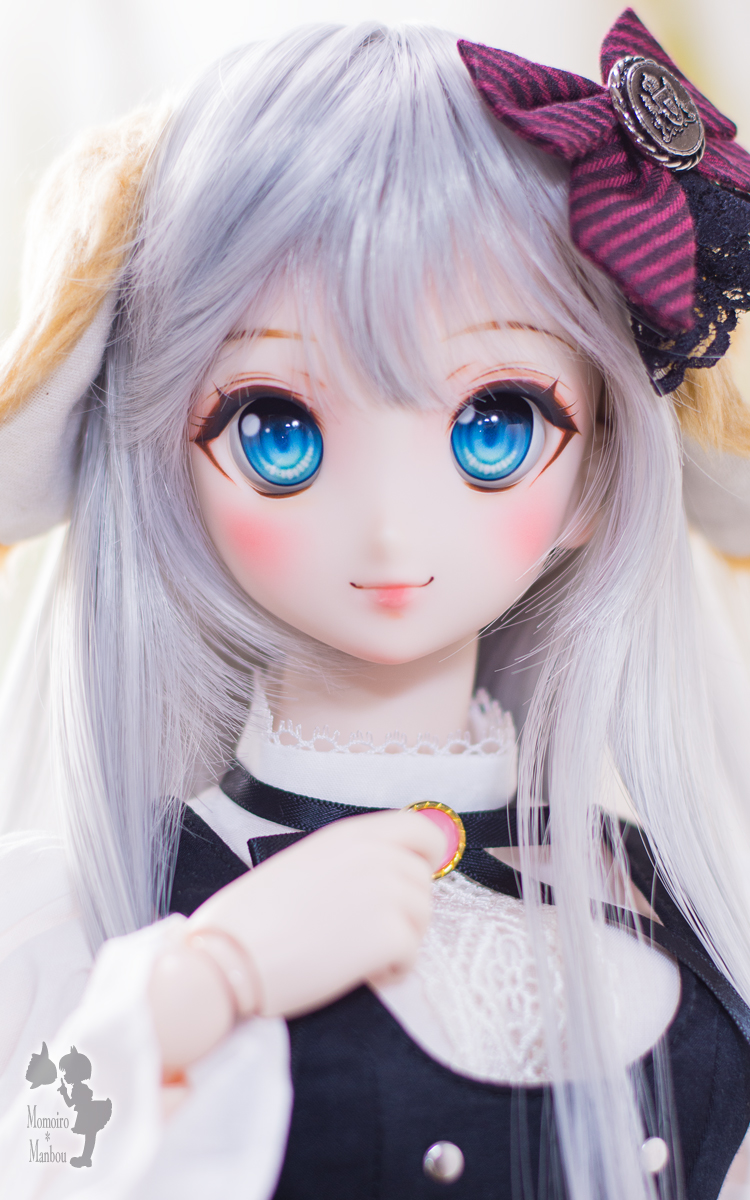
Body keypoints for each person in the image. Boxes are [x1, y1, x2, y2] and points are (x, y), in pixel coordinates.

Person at [1, 11, 750, 1199]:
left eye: (497, 424)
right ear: (166, 466)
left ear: (600, 474)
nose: (392, 528)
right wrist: (207, 982)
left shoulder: (685, 905)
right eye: (277, 428)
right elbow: (42, 1158)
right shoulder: (98, 911)